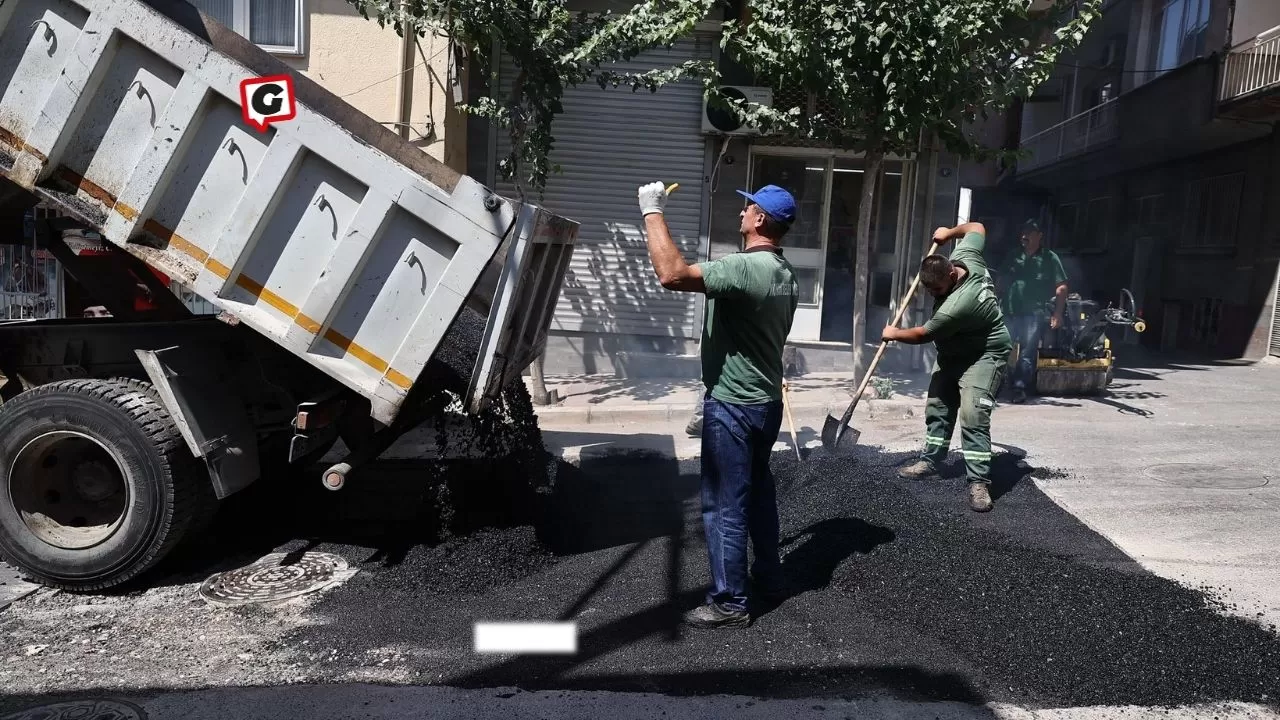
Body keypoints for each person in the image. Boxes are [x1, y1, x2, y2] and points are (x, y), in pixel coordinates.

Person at [636, 180, 799, 629]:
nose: (742, 212)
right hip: (764, 402)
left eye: (748, 208)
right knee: (759, 496)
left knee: (725, 504)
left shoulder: (745, 269)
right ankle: (770, 577)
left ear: (761, 219)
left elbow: (671, 274)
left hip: (734, 406)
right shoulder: (785, 273)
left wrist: (652, 212)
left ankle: (730, 602)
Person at [881, 222, 1012, 513]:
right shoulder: (966, 255)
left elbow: (923, 334)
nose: (933, 295)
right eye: (928, 289)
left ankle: (978, 481)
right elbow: (978, 227)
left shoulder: (958, 305)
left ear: (952, 275)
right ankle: (931, 461)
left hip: (983, 354)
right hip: (954, 351)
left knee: (972, 413)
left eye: (937, 289)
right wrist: (950, 233)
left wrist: (894, 334)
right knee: (938, 404)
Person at [997, 219, 1068, 403]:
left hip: (1033, 315)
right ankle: (997, 384)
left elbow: (1061, 287)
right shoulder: (1013, 255)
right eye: (1022, 233)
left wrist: (1058, 313)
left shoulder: (1049, 258)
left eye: (1029, 233)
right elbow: (1000, 282)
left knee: (1027, 354)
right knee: (1001, 349)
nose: (1024, 236)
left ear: (1039, 236)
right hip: (1009, 311)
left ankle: (1019, 388)